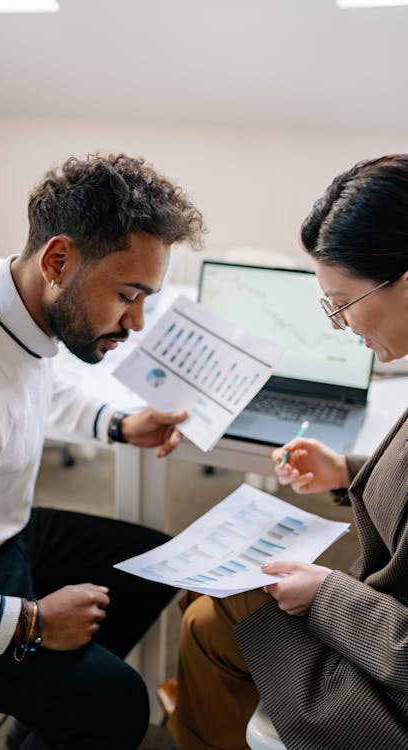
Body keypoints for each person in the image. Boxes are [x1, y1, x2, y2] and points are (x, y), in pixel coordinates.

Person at [0, 153, 206, 750]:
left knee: (156, 567)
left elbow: (35, 382)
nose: (139, 321)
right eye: (128, 294)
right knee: (119, 701)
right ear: (58, 261)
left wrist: (118, 424)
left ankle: (47, 722)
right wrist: (31, 623)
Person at [166, 154, 408, 750]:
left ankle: (206, 720)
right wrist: (346, 471)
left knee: (206, 616)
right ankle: (206, 714)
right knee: (202, 593)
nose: (341, 325)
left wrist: (326, 595)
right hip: (382, 633)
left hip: (390, 701)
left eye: (344, 301)